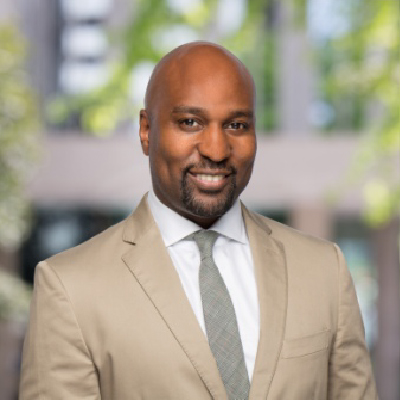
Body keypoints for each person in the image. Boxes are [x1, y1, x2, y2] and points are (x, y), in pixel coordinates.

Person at [19, 42, 378, 400]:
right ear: (146, 130)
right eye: (190, 122)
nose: (216, 150)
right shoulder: (70, 287)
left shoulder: (324, 270)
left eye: (236, 125)